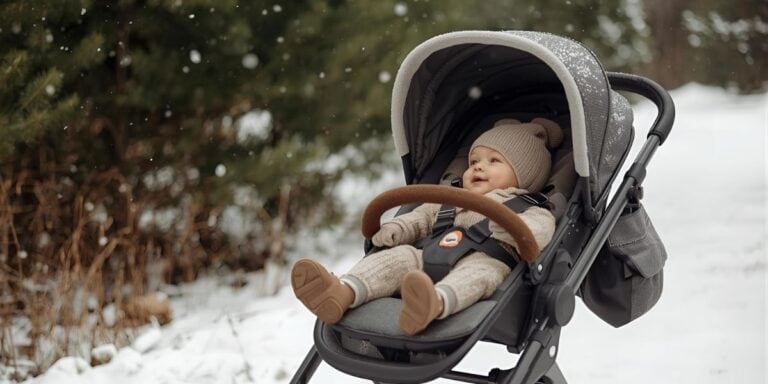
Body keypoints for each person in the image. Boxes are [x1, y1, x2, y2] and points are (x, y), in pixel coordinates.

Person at [291, 118, 563, 335]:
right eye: (473, 161)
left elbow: (540, 231)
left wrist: (515, 228)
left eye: (494, 161)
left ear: (525, 174)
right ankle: (341, 292)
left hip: (487, 258)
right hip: (428, 255)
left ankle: (434, 303)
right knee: (398, 257)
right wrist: (399, 227)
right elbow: (420, 218)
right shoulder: (448, 199)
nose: (478, 168)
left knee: (480, 273)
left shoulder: (530, 207)